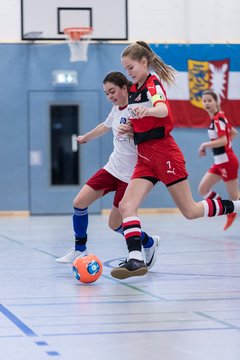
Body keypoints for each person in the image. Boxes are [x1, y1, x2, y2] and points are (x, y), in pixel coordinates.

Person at [110, 41, 240, 280]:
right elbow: (144, 121)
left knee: (190, 211)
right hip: (145, 157)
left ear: (143, 63)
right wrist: (132, 129)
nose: (129, 72)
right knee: (127, 206)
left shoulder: (152, 83)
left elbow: (162, 110)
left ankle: (237, 206)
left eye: (131, 67)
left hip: (165, 154)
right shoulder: (135, 89)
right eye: (126, 69)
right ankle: (136, 259)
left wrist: (148, 111)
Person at [56, 71, 160, 269]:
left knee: (115, 224)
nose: (110, 96)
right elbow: (105, 126)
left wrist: (133, 131)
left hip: (131, 177)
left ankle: (148, 242)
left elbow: (153, 134)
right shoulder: (116, 109)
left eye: (113, 91)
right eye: (106, 93)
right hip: (112, 168)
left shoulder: (138, 108)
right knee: (79, 202)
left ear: (124, 88)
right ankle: (80, 249)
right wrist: (85, 137)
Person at [198, 89, 239, 231]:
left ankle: (231, 211)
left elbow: (223, 139)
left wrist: (205, 145)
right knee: (203, 189)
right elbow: (233, 133)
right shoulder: (219, 117)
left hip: (227, 162)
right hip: (219, 162)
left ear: (216, 102)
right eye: (204, 101)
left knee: (236, 198)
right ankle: (227, 209)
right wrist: (226, 144)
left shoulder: (218, 118)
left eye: (210, 100)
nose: (207, 103)